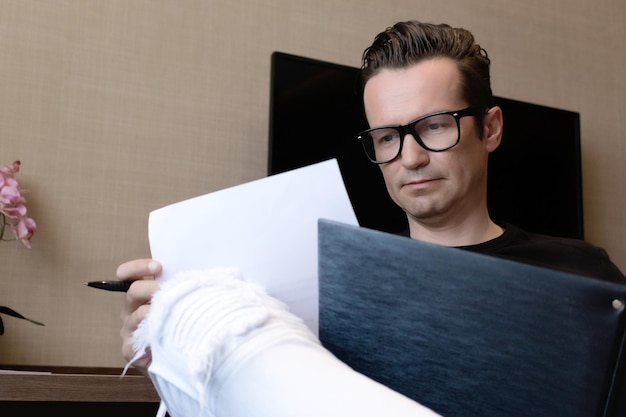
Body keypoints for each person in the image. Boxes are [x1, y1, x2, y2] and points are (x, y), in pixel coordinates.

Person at [117, 21, 625, 417]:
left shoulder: (584, 277)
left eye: (434, 126)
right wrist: (168, 350)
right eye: (387, 137)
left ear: (489, 128)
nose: (410, 158)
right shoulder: (325, 289)